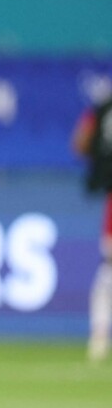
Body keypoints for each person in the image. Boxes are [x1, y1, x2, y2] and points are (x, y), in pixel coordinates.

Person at [72, 96, 112, 362]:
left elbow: (80, 142)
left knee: (108, 274)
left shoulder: (104, 107)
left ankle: (98, 336)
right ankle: (98, 336)